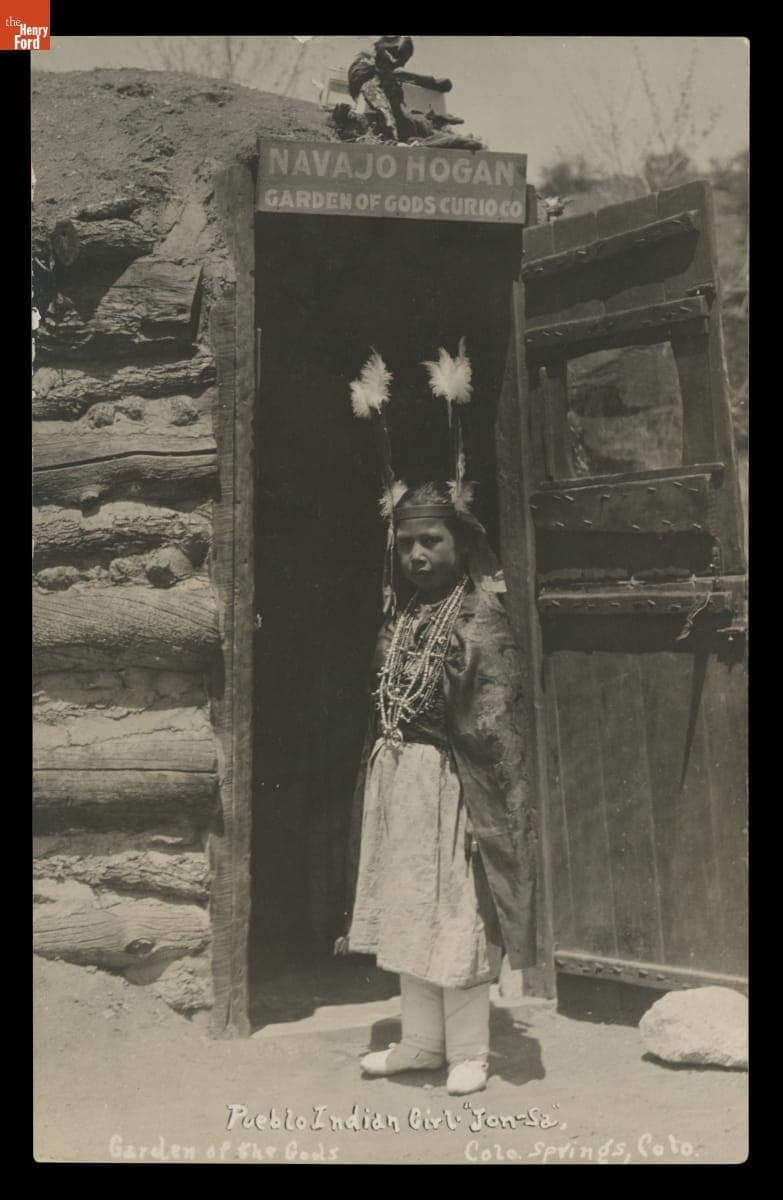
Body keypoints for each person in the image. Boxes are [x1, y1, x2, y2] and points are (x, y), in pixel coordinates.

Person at [343, 481, 537, 1096]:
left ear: (461, 541)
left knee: (456, 914)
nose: (417, 555)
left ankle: (470, 1050)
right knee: (408, 909)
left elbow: (494, 723)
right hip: (402, 779)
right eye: (405, 545)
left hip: (455, 787)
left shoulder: (479, 617)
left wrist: (486, 809)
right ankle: (422, 1042)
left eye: (431, 541)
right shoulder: (406, 612)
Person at [347, 35, 452, 142]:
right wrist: (396, 140)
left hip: (401, 124)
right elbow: (384, 111)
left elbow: (445, 83)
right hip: (391, 130)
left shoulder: (389, 73)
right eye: (403, 59)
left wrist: (427, 81)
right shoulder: (372, 80)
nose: (403, 64)